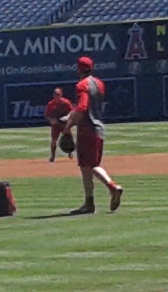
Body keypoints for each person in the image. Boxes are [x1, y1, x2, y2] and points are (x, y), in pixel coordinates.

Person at [70, 56, 123, 214]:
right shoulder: (99, 83)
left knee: (88, 167)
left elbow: (82, 107)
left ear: (78, 69)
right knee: (90, 166)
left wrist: (67, 125)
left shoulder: (81, 85)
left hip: (86, 129)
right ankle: (92, 201)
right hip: (99, 128)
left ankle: (109, 189)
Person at [43, 87, 75, 161]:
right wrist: (51, 120)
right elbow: (47, 115)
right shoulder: (51, 104)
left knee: (69, 138)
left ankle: (70, 153)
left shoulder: (66, 102)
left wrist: (67, 117)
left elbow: (72, 112)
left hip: (64, 124)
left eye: (58, 94)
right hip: (56, 125)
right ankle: (53, 156)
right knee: (54, 140)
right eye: (55, 94)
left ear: (61, 95)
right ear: (53, 95)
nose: (57, 96)